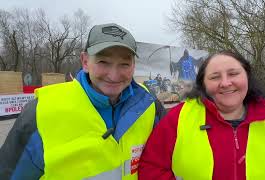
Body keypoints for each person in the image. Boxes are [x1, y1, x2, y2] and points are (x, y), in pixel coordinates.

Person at [0, 23, 166, 180]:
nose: (114, 75)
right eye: (103, 62)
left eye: (124, 64)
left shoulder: (149, 105)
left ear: (133, 65)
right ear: (85, 61)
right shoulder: (40, 113)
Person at [138, 50, 265, 180]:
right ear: (203, 84)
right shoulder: (180, 117)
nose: (225, 83)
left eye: (233, 73)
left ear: (247, 77)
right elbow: (151, 167)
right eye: (215, 77)